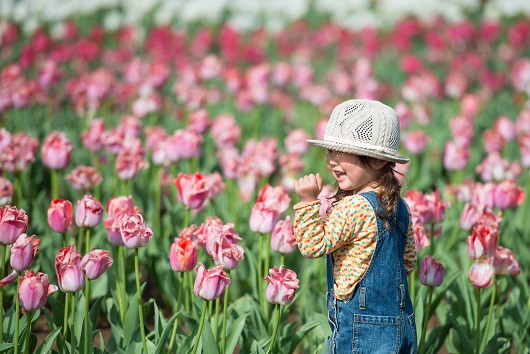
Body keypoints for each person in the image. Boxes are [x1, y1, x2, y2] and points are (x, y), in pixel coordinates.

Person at [293, 99, 417, 354]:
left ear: (378, 160)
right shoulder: (400, 206)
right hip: (403, 322)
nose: (332, 161)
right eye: (330, 151)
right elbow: (408, 263)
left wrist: (307, 202)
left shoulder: (355, 207)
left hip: (362, 327)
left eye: (343, 151)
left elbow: (312, 246)